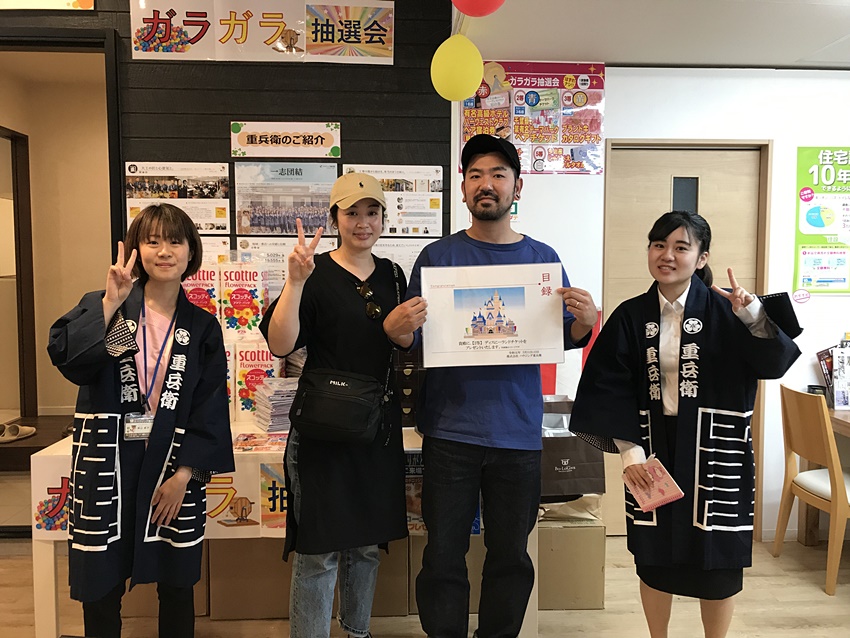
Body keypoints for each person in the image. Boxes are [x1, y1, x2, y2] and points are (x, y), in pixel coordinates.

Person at [398, 134, 597, 638]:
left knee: (510, 556)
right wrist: (398, 330)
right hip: (450, 431)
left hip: (517, 433)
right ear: (464, 189)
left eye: (498, 175)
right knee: (443, 554)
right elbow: (412, 339)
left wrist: (586, 321)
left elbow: (564, 335)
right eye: (475, 175)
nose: (486, 184)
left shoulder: (542, 258)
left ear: (517, 187)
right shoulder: (437, 258)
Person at [569, 211, 801, 638]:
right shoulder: (630, 315)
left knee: (720, 560)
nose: (667, 256)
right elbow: (608, 386)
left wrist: (752, 315)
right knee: (654, 559)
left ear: (701, 257)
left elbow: (776, 363)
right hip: (652, 447)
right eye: (659, 245)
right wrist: (630, 453)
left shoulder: (729, 310)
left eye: (681, 247)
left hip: (717, 447)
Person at [47, 203, 234, 638]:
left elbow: (209, 406)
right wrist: (109, 303)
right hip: (109, 466)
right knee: (101, 583)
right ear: (136, 249)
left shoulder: (201, 327)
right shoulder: (109, 305)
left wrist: (185, 475)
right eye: (152, 241)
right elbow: (70, 359)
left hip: (172, 466)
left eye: (175, 241)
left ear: (191, 252)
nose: (164, 251)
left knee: (177, 581)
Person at [259, 172, 426, 638]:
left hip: (376, 430)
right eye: (352, 212)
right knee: (319, 553)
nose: (363, 222)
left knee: (366, 548)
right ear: (334, 218)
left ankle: (357, 632)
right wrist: (294, 283)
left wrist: (398, 333)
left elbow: (407, 343)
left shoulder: (394, 276)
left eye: (372, 212)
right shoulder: (312, 272)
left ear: (384, 219)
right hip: (323, 433)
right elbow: (279, 344)